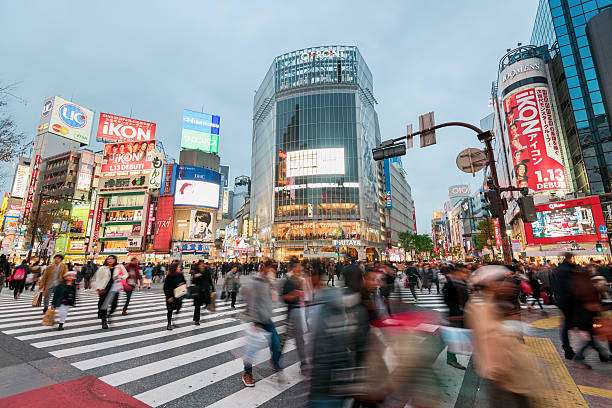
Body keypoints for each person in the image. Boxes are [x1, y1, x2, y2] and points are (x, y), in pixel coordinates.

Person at [241, 260, 282, 387]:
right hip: (256, 320)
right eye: (271, 270)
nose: (273, 272)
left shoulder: (269, 283)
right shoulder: (256, 282)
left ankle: (274, 362)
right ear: (264, 269)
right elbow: (250, 301)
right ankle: (247, 373)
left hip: (267, 319)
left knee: (276, 344)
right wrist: (255, 321)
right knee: (251, 349)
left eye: (274, 270)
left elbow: (273, 300)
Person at [280, 257, 308, 374]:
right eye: (297, 267)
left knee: (299, 340)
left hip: (299, 313)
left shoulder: (300, 280)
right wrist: (296, 294)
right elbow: (285, 297)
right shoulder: (288, 281)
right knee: (285, 340)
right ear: (292, 268)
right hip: (292, 313)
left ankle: (303, 364)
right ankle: (276, 358)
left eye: (299, 267)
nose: (299, 269)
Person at [550, 253, 578, 359]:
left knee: (566, 325)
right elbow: (572, 286)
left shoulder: (557, 270)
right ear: (571, 258)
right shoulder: (569, 270)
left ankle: (567, 348)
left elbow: (554, 285)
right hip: (571, 301)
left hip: (561, 301)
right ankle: (594, 347)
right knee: (584, 324)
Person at [442, 265, 469, 370]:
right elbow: (447, 299)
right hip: (456, 315)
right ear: (458, 273)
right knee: (456, 337)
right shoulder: (452, 284)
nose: (466, 275)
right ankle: (451, 358)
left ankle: (451, 358)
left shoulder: (461, 283)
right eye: (464, 273)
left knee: (459, 337)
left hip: (461, 314)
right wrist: (457, 310)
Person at [92, 255, 127, 329]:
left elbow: (126, 274)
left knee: (114, 304)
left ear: (115, 260)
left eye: (112, 259)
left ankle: (108, 314)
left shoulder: (119, 266)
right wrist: (98, 288)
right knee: (104, 304)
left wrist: (121, 278)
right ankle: (104, 321)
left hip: (115, 287)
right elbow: (97, 278)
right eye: (108, 259)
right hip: (104, 288)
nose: (110, 260)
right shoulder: (102, 268)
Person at [164, 262, 186, 330]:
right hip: (170, 295)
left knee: (179, 306)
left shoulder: (181, 275)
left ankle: (176, 311)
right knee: (170, 310)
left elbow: (184, 281)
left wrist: (182, 283)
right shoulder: (169, 276)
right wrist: (168, 297)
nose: (180, 268)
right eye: (178, 267)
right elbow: (165, 287)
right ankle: (169, 323)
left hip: (178, 294)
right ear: (175, 269)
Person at [191, 260, 214, 325]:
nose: (202, 265)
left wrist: (213, 289)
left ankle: (206, 305)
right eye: (200, 264)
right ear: (198, 265)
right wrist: (195, 277)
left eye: (202, 264)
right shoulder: (196, 272)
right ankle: (196, 320)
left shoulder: (207, 271)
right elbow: (193, 282)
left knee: (207, 302)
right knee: (197, 306)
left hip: (206, 290)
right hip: (198, 291)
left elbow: (210, 281)